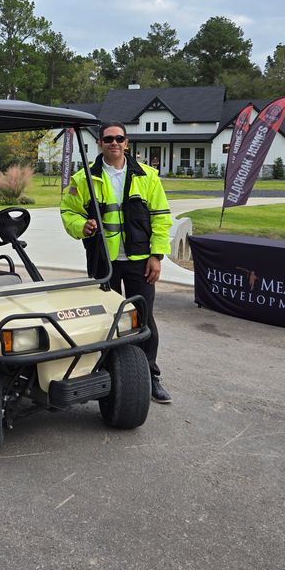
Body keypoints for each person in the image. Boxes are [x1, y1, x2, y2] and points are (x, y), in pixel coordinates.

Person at [60, 122, 174, 403]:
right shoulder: (83, 179)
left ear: (127, 142)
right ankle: (104, 373)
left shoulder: (148, 176)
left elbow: (161, 217)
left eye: (119, 138)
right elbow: (68, 212)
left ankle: (150, 376)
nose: (114, 143)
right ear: (100, 143)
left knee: (143, 319)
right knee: (104, 320)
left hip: (139, 261)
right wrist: (80, 226)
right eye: (108, 139)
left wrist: (156, 256)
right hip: (103, 261)